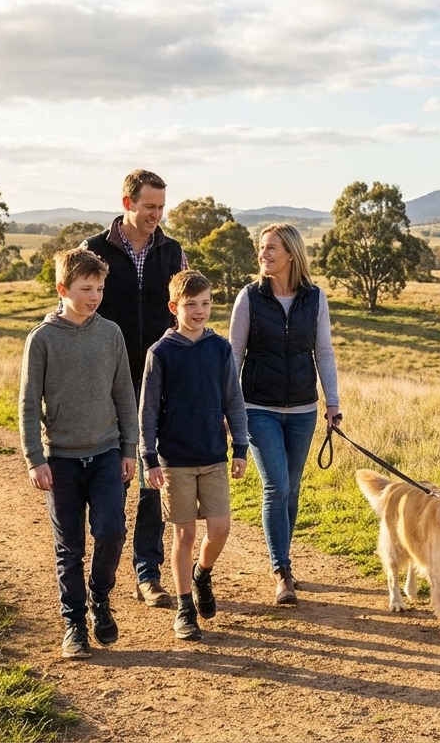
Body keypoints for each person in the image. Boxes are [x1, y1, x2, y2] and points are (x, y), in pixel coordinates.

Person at [19, 248, 138, 659]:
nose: (94, 297)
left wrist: (129, 448)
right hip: (61, 461)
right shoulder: (43, 339)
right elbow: (28, 404)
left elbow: (124, 394)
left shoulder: (111, 334)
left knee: (112, 531)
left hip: (107, 454)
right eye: (86, 289)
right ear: (63, 288)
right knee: (69, 547)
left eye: (100, 288)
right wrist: (35, 458)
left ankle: (99, 599)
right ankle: (73, 624)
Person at [81, 169, 187, 609]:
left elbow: (183, 308)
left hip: (157, 382)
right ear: (128, 204)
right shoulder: (94, 249)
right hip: (108, 383)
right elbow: (76, 310)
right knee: (112, 481)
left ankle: (148, 574)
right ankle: (100, 573)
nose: (156, 216)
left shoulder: (171, 251)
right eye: (149, 207)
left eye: (162, 208)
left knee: (151, 479)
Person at [229, 223, 341, 605]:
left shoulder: (315, 298)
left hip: (304, 411)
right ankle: (282, 570)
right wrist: (228, 409)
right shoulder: (249, 298)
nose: (264, 254)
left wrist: (332, 402)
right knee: (276, 486)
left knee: (292, 490)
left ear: (291, 254)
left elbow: (323, 352)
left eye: (271, 248)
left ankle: (284, 560)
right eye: (261, 248)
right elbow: (234, 356)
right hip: (258, 407)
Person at [139, 270, 248, 640]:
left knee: (220, 528)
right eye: (191, 305)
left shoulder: (220, 349)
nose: (199, 311)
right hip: (175, 460)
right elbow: (148, 410)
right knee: (184, 534)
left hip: (215, 455)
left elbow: (233, 401)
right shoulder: (161, 353)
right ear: (174, 308)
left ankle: (202, 574)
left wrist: (241, 448)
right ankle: (185, 609)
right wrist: (149, 458)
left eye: (205, 304)